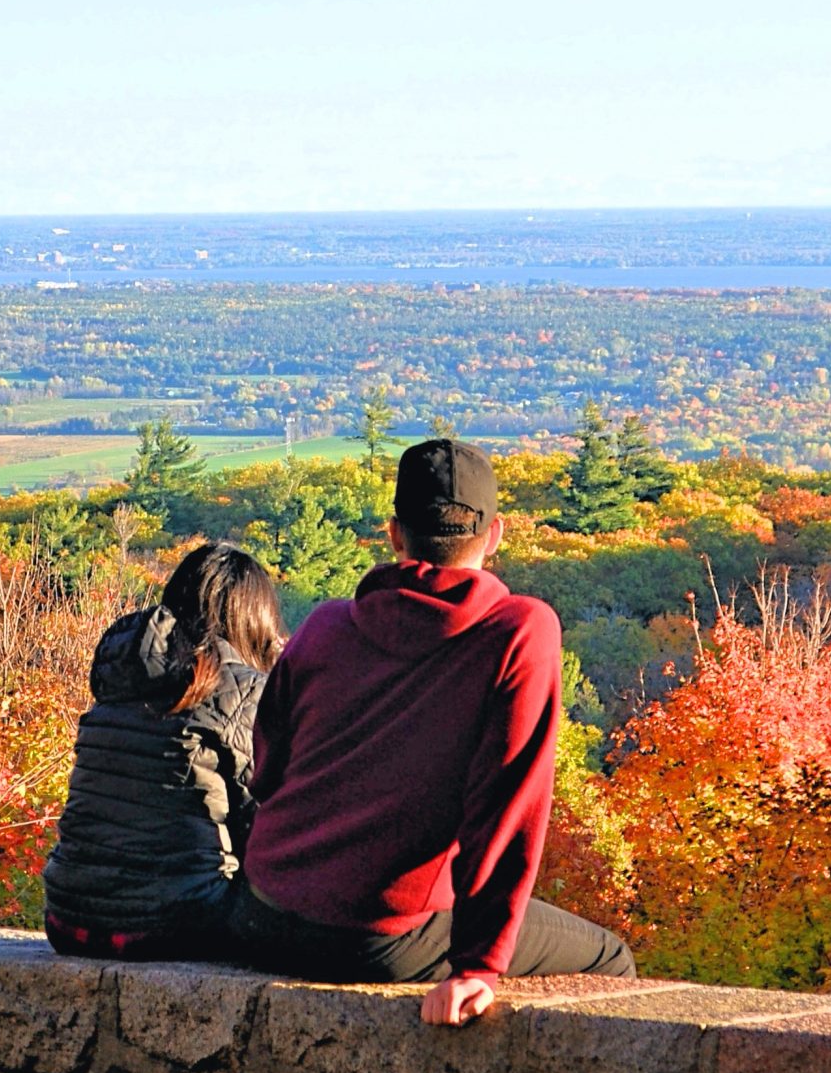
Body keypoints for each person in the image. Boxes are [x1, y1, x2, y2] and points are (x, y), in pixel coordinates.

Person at [230, 438, 634, 1024]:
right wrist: (477, 967)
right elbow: (508, 807)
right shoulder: (518, 632)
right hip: (378, 935)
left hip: (259, 913)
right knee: (609, 956)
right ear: (494, 535)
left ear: (395, 535)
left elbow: (266, 769)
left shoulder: (323, 626)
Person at [42, 541, 284, 962]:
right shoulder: (245, 692)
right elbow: (267, 831)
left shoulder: (120, 679)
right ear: (255, 620)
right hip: (179, 924)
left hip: (68, 919)